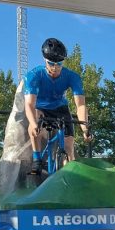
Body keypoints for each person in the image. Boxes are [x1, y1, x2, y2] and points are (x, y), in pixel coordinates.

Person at [24, 37, 90, 173]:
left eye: (59, 64)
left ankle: (69, 172)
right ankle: (37, 159)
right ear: (44, 60)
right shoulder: (34, 75)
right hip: (40, 107)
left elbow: (81, 106)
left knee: (69, 145)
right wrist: (34, 123)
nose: (55, 67)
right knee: (34, 121)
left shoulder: (72, 77)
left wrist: (85, 128)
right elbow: (29, 104)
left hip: (60, 108)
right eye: (51, 63)